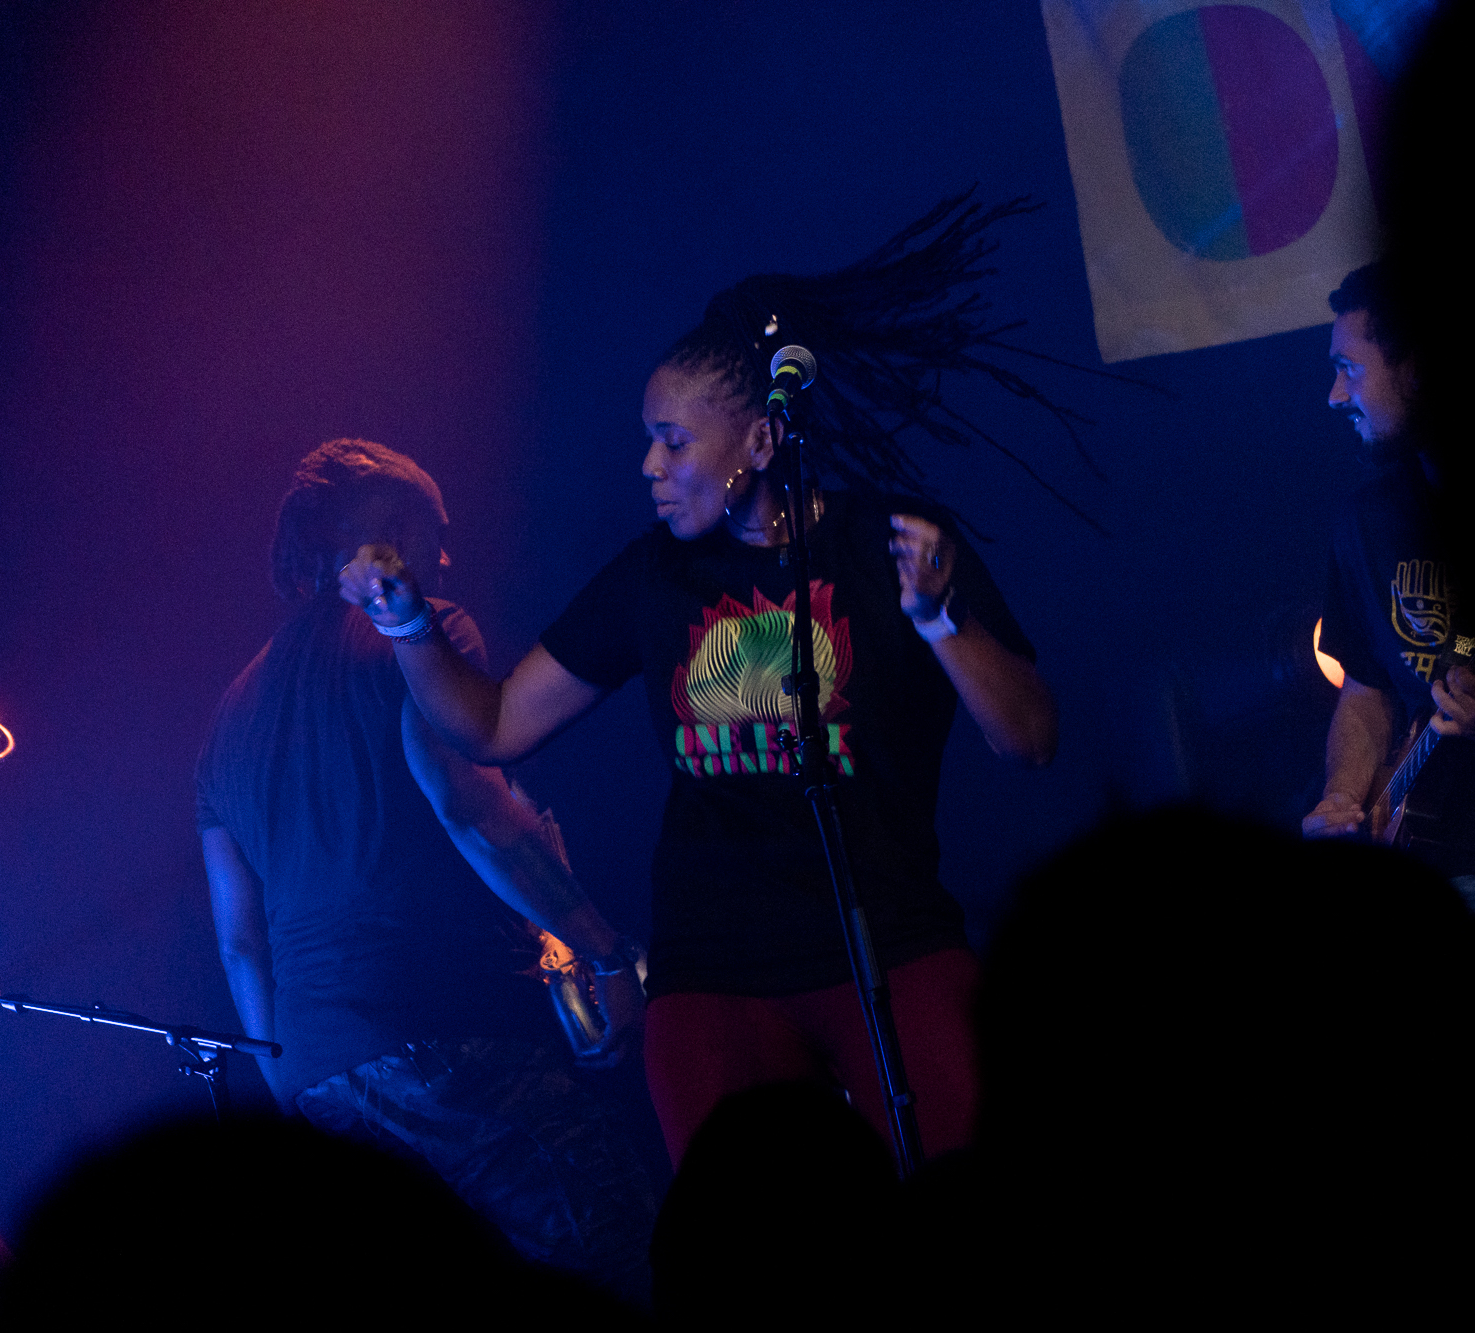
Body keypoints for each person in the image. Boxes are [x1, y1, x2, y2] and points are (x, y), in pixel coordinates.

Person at [339, 198, 1061, 1165]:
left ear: (760, 443)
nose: (649, 465)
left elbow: (1030, 740)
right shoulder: (656, 575)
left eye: (674, 441)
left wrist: (938, 618)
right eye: (650, 439)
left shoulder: (887, 545)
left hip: (889, 941)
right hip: (714, 967)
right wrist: (407, 624)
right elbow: (495, 724)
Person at [198, 439, 655, 1303]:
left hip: (318, 1071)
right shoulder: (420, 631)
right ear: (391, 530)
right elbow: (469, 809)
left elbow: (240, 943)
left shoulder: (227, 716)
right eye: (435, 532)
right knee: (622, 1258)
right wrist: (604, 952)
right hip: (447, 1026)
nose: (444, 557)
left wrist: (294, 1084)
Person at [1299, 263, 1475, 907]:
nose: (1333, 396)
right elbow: (1366, 690)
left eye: (1349, 369)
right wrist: (1345, 797)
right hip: (1431, 852)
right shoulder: (1366, 522)